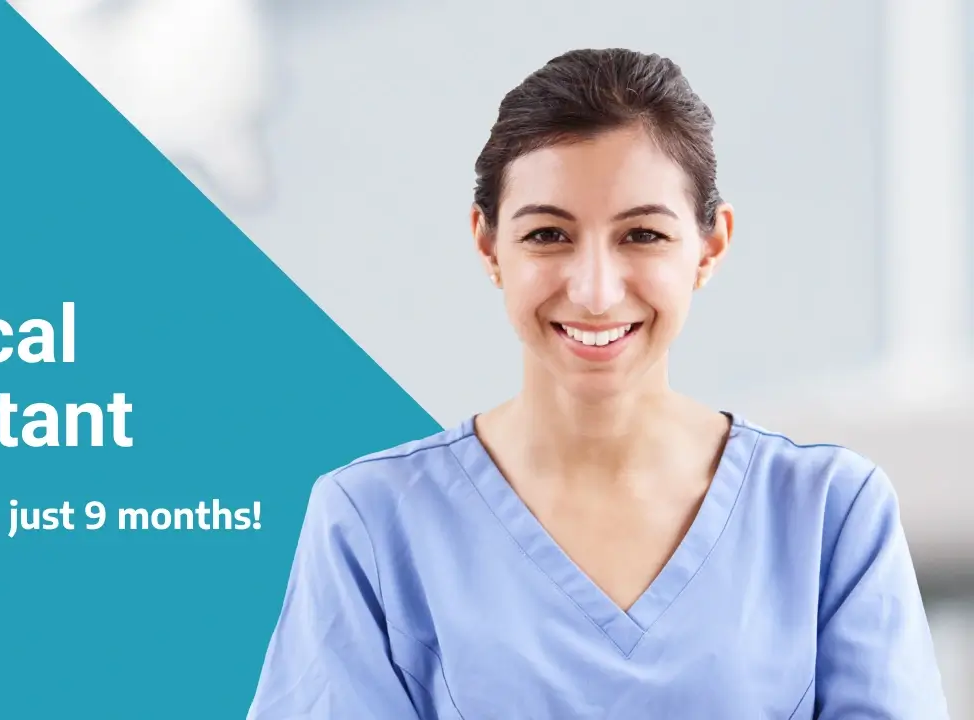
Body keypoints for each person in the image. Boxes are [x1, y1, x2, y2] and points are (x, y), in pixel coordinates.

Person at [246, 48, 950, 719]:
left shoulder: (830, 515)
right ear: (488, 245)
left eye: (641, 235)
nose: (594, 290)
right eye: (548, 235)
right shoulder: (371, 522)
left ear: (710, 246)